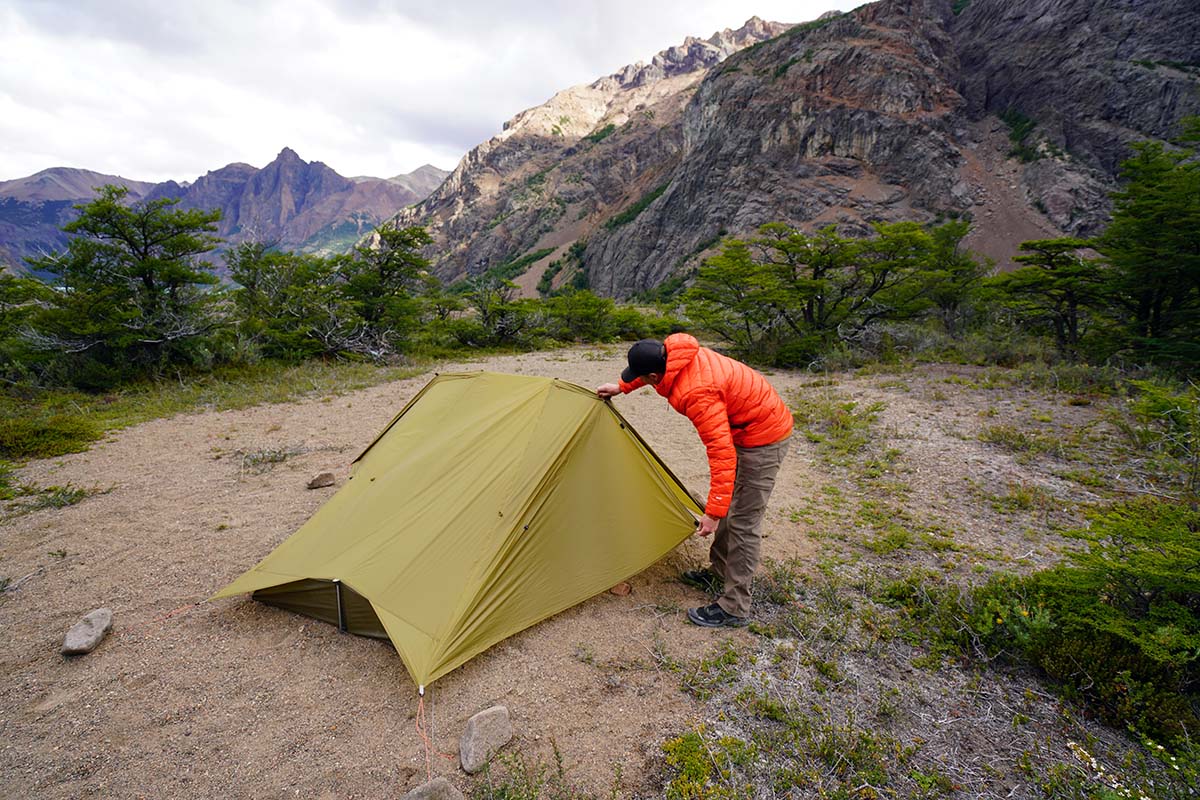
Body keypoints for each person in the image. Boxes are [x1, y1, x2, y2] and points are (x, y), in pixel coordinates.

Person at [597, 333, 793, 628]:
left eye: (643, 378)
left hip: (763, 436)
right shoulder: (676, 353)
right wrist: (622, 387)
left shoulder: (697, 392)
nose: (643, 380)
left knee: (743, 521)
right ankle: (719, 570)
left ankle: (735, 607)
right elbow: (654, 375)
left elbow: (721, 453)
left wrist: (713, 512)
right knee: (731, 507)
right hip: (746, 422)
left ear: (655, 373)